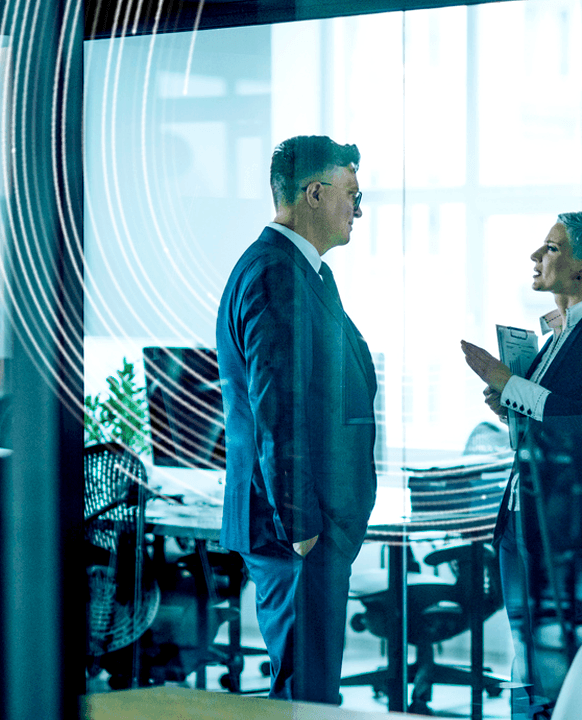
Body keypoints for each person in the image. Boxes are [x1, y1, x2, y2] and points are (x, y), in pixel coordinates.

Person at [216, 135, 378, 704]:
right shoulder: (275, 274)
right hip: (297, 530)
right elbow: (277, 413)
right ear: (314, 193)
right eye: (353, 194)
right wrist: (303, 527)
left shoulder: (305, 273)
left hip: (310, 526)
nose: (359, 209)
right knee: (306, 697)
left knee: (312, 691)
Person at [460, 212, 582, 719]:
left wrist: (509, 382)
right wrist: (509, 404)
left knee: (561, 656)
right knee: (533, 656)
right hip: (523, 516)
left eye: (552, 248)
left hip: (568, 522)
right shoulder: (557, 338)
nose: (536, 257)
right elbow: (550, 416)